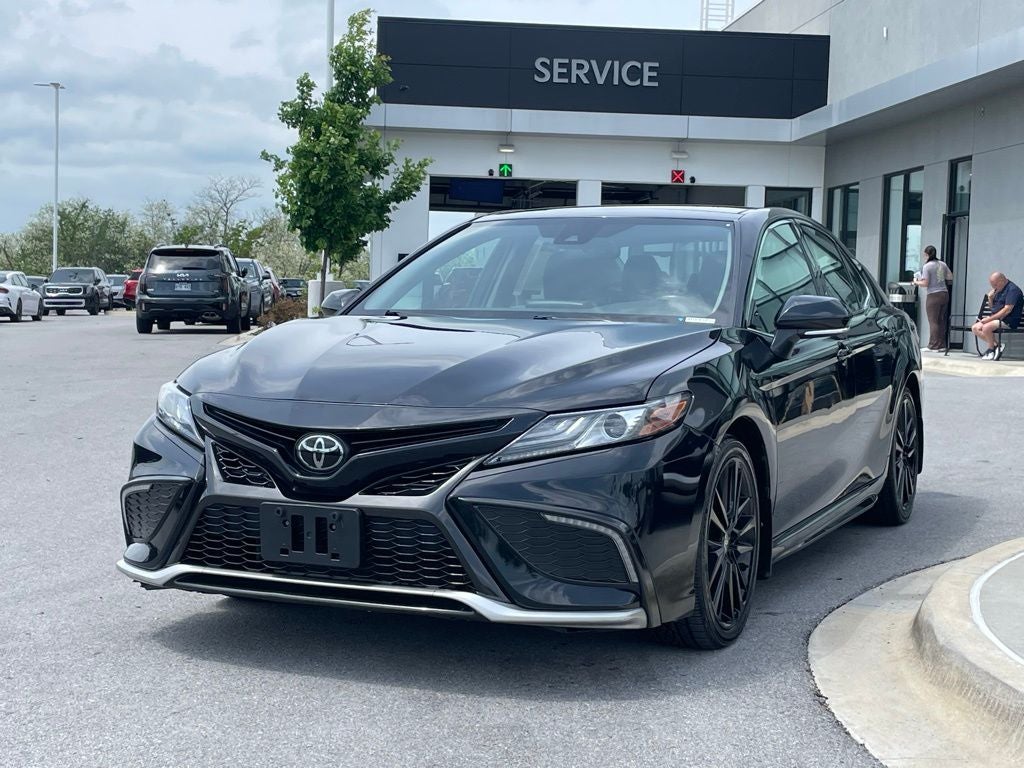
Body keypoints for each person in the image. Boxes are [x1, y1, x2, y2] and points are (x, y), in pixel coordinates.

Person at [971, 272, 1023, 360]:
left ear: (1002, 281)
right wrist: (990, 299)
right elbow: (993, 309)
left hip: (1008, 320)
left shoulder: (1013, 290)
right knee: (975, 328)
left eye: (995, 285)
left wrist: (988, 320)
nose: (993, 287)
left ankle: (991, 350)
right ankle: (997, 346)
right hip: (997, 319)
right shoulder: (998, 290)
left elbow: (1007, 310)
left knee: (986, 327)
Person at [913, 245, 951, 350]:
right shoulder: (942, 264)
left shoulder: (927, 266)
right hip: (944, 293)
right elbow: (950, 277)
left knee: (933, 321)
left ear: (926, 254)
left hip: (933, 295)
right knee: (941, 320)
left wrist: (916, 282)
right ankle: (942, 345)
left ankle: (933, 345)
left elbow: (925, 283)